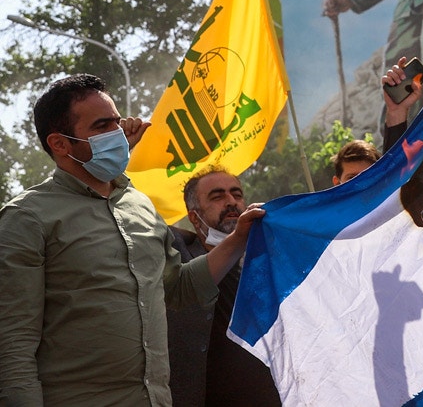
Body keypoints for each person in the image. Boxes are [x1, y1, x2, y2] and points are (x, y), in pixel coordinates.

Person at [0, 74, 264, 406]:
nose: (119, 133)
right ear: (60, 144)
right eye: (101, 126)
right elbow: (13, 343)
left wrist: (239, 238)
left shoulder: (138, 206)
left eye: (116, 121)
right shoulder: (27, 217)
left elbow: (178, 288)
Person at [168, 167, 281, 407]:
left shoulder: (269, 259)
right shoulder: (180, 257)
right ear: (194, 217)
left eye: (237, 194)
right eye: (217, 196)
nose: (231, 202)